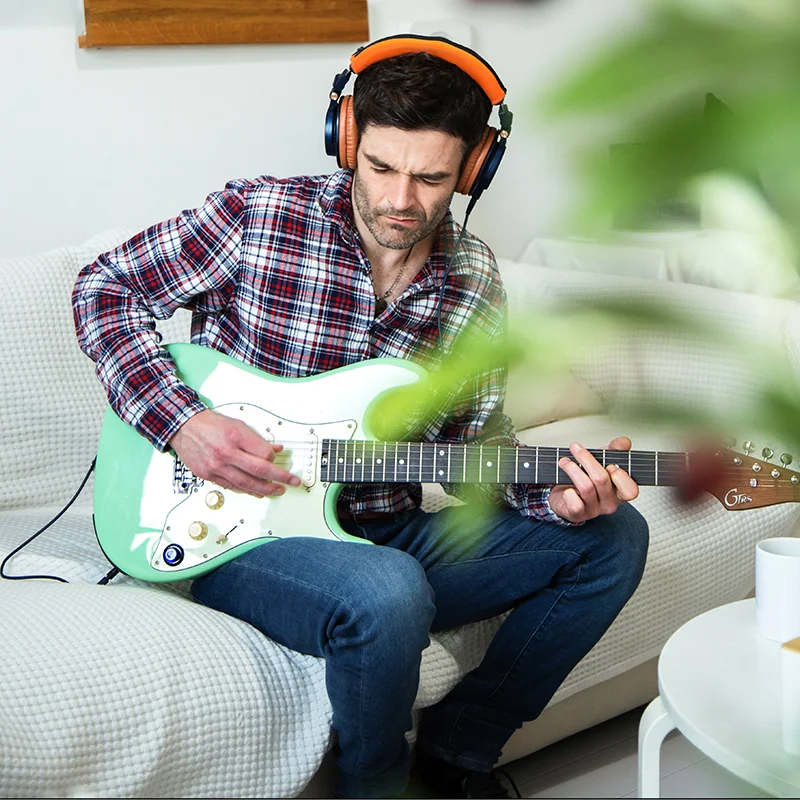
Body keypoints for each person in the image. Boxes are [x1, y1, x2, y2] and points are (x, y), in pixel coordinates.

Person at [72, 34, 649, 799]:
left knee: (613, 539)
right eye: (380, 168)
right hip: (239, 535)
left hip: (384, 527)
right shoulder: (258, 214)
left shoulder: (473, 280)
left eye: (431, 178)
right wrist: (181, 422)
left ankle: (460, 751)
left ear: (473, 168)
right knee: (388, 588)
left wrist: (559, 500)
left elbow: (475, 449)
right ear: (348, 141)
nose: (400, 200)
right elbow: (105, 289)